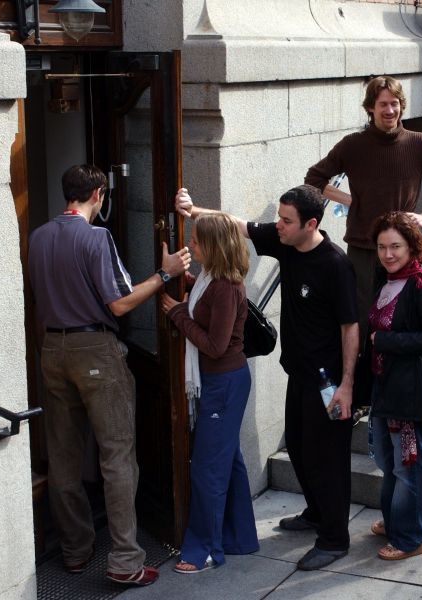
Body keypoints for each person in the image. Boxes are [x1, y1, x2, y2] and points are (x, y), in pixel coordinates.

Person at [175, 184, 359, 571]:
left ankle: (334, 539)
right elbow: (236, 226)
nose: (277, 224)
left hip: (327, 380)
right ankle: (315, 514)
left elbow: (349, 327)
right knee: (298, 445)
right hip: (298, 372)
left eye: (286, 220)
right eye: (278, 215)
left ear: (310, 224)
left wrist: (346, 384)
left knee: (327, 458)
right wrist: (193, 212)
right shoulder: (285, 241)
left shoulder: (335, 264)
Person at [28, 164, 191, 587]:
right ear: (98, 194)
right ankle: (124, 560)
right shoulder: (96, 237)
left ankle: (75, 551)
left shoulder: (39, 236)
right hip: (93, 349)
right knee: (117, 456)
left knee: (63, 456)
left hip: (51, 349)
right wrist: (165, 273)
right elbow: (119, 304)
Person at [304, 75, 422, 339]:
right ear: (370, 108)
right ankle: (359, 376)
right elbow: (314, 178)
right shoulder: (352, 145)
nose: (390, 110)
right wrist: (350, 200)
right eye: (383, 104)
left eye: (394, 103)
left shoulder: (419, 143)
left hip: (404, 247)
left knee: (403, 316)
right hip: (363, 248)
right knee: (359, 318)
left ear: (401, 106)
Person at [159, 212, 259, 573]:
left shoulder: (225, 287)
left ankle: (203, 552)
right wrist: (175, 275)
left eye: (197, 241)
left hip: (223, 382)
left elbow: (215, 345)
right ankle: (240, 538)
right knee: (227, 461)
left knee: (207, 470)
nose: (191, 245)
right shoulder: (208, 278)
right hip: (219, 381)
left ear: (214, 246)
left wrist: (179, 315)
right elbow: (202, 304)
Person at [362, 212, 422, 561]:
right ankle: (395, 518)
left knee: (408, 463)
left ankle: (411, 538)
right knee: (386, 458)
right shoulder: (386, 278)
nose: (388, 254)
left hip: (408, 394)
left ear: (412, 247)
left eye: (395, 246)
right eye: (382, 247)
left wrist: (385, 340)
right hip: (385, 388)